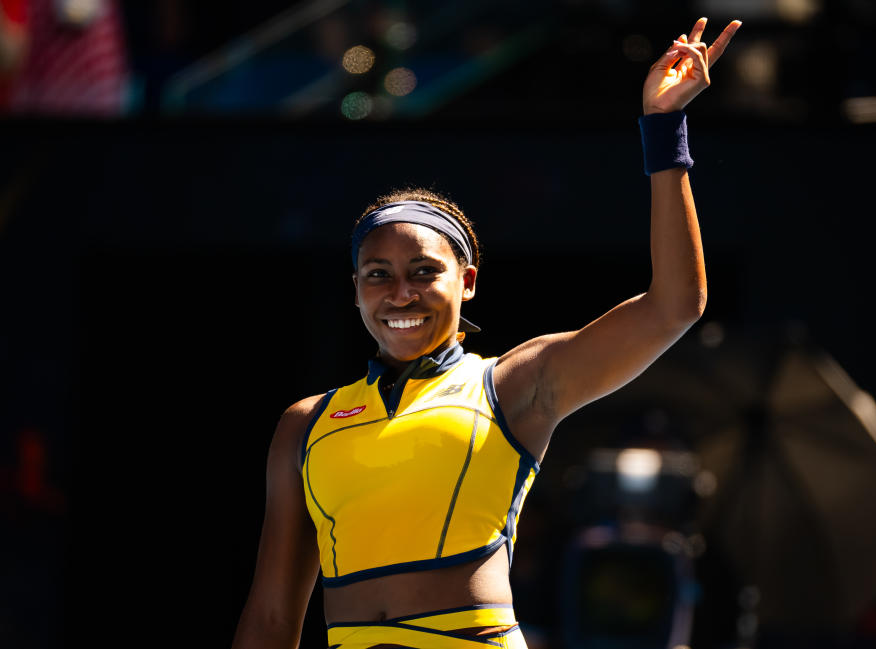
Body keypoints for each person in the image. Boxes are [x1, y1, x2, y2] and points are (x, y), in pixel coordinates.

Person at [232, 16, 741, 649]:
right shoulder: (304, 424)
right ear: (356, 287)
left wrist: (664, 128)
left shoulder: (515, 383)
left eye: (424, 272)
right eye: (378, 274)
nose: (401, 293)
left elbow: (674, 307)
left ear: (467, 281)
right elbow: (272, 619)